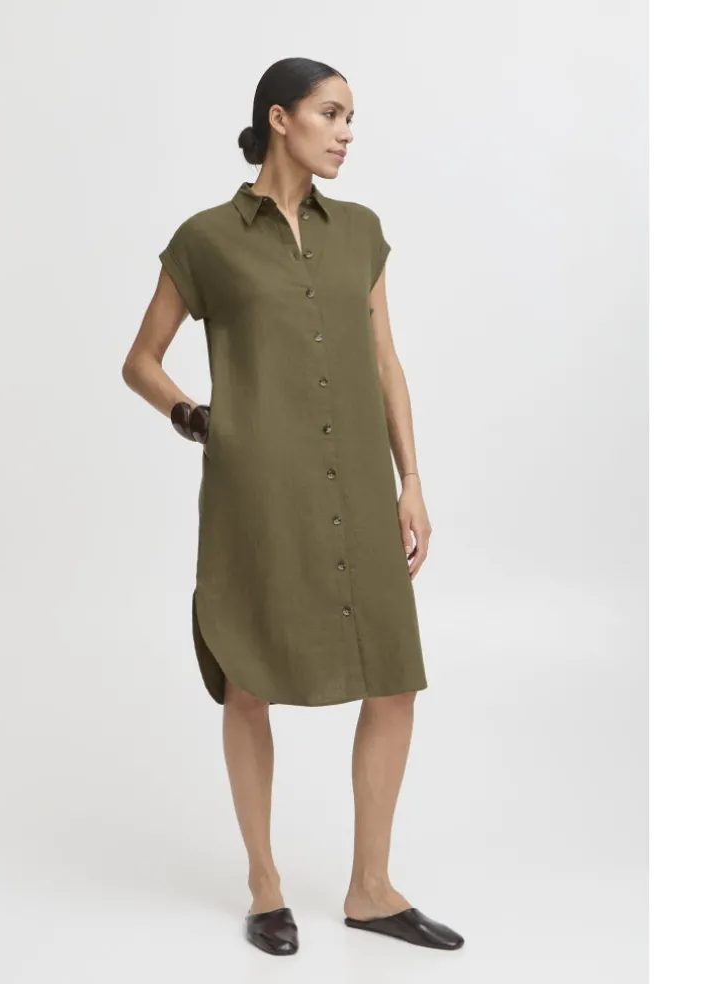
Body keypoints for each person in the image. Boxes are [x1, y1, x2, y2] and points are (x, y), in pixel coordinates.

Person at [121, 57, 463, 956]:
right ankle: (265, 885)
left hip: (359, 486)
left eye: (351, 119)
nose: (346, 133)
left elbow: (385, 360)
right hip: (258, 493)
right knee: (248, 680)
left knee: (393, 680)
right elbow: (141, 361)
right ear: (280, 119)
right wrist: (194, 417)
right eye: (331, 114)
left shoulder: (361, 233)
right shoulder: (205, 239)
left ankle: (371, 890)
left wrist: (411, 479)